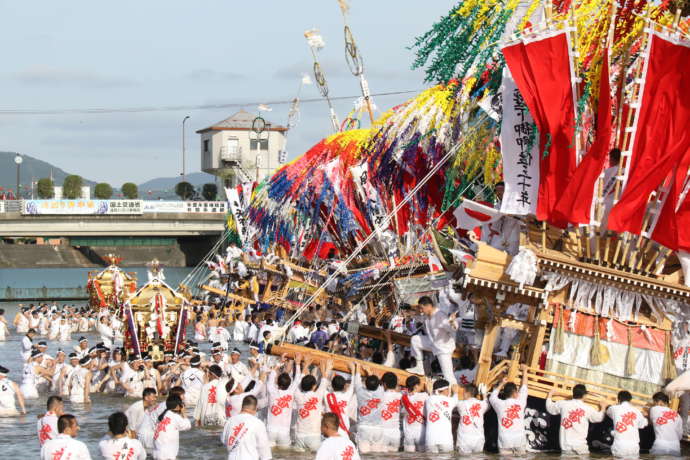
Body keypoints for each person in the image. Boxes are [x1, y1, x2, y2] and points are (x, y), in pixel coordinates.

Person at [405, 296, 458, 385]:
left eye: (422, 308)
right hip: (432, 343)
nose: (421, 310)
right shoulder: (427, 316)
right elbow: (416, 316)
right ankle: (420, 367)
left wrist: (453, 322)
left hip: (443, 348)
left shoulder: (440, 315)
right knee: (415, 340)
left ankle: (455, 395)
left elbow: (452, 328)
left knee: (448, 376)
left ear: (429, 306)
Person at [545, 384, 605, 454]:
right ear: (584, 395)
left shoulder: (563, 404)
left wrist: (550, 394)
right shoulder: (587, 408)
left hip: (566, 447)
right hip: (581, 448)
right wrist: (603, 407)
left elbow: (550, 408)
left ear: (573, 393)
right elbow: (599, 417)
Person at [489, 365, 529, 455]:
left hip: (505, 440)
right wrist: (525, 371)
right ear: (515, 393)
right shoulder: (520, 402)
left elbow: (492, 397)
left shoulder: (499, 404)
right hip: (519, 439)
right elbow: (524, 387)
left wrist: (501, 384)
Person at [294, 360, 331, 452]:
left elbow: (298, 382)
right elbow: (324, 380)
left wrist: (305, 366)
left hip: (299, 435)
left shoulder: (297, 395)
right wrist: (325, 368)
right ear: (314, 386)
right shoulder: (317, 395)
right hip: (313, 435)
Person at [265, 355, 302, 447]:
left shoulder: (271, 390)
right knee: (285, 454)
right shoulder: (290, 392)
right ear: (289, 384)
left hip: (270, 430)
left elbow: (271, 376)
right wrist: (297, 363)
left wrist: (279, 362)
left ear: (277, 382)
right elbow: (297, 379)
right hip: (284, 432)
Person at [221, 395, 272, 460]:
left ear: (242, 407)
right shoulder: (258, 423)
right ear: (256, 408)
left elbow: (223, 440)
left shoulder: (229, 421)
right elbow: (265, 453)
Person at [353, 363, 385, 453]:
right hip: (378, 429)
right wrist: (369, 372)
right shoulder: (381, 391)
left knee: (364, 455)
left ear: (365, 384)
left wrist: (358, 368)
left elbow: (357, 380)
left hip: (364, 428)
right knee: (376, 456)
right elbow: (376, 384)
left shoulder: (360, 391)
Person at [606, 390, 647, 458]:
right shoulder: (637, 411)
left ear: (618, 399)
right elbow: (643, 424)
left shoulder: (614, 408)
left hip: (620, 446)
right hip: (633, 446)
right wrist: (644, 416)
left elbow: (608, 412)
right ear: (630, 400)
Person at [153, 395, 191, 460]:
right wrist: (184, 413)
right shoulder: (175, 417)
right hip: (166, 455)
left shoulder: (163, 415)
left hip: (156, 453)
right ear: (178, 406)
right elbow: (188, 426)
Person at [424, 379, 457, 453]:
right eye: (448, 389)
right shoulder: (451, 401)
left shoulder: (428, 399)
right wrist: (455, 392)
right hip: (446, 440)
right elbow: (456, 398)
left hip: (430, 440)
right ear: (445, 390)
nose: (449, 391)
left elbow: (431, 395)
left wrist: (429, 391)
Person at [456, 384, 488, 454]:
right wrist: (484, 393)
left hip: (464, 439)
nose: (463, 394)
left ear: (467, 393)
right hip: (479, 439)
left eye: (464, 392)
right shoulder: (482, 404)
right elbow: (487, 403)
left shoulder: (460, 404)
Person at [648, 391, 682, 456]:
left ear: (657, 402)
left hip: (661, 445)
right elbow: (679, 436)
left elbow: (652, 423)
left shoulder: (653, 409)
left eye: (653, 402)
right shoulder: (678, 415)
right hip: (675, 445)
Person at [400, 375, 428, 452]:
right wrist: (428, 390)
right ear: (416, 386)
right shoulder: (425, 396)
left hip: (408, 432)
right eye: (420, 384)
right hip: (421, 431)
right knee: (422, 456)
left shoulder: (402, 397)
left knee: (408, 456)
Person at [379, 372, 402, 453]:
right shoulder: (401, 396)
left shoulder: (380, 395)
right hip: (396, 433)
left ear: (384, 384)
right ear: (396, 384)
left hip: (383, 432)